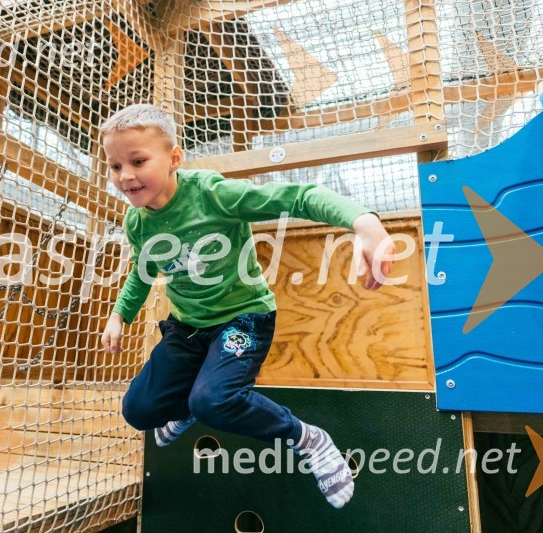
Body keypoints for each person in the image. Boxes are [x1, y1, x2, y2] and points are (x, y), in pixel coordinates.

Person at [100, 104, 395, 509]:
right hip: (187, 329)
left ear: (173, 158)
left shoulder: (213, 194)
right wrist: (120, 315)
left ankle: (308, 438)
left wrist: (363, 222)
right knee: (139, 410)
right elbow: (143, 270)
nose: (125, 176)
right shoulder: (137, 222)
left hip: (243, 320)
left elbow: (299, 196)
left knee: (214, 401)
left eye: (137, 161)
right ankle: (185, 406)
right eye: (114, 166)